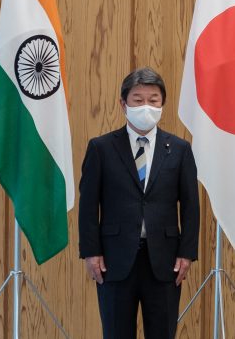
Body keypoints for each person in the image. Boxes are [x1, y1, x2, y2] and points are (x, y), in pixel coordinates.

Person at [79, 67, 200, 339]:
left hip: (165, 261)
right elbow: (88, 205)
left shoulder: (180, 149)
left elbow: (191, 206)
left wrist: (186, 253)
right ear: (123, 104)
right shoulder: (101, 148)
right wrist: (90, 252)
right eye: (138, 99)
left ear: (162, 104)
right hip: (114, 260)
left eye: (153, 100)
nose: (146, 106)